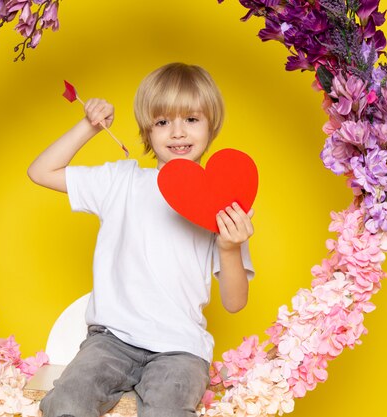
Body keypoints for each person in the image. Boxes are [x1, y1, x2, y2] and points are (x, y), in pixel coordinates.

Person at [28, 63, 255, 417]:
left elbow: (235, 301)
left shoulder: (222, 202)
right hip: (111, 340)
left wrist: (230, 247)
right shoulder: (120, 181)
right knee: (66, 402)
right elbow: (41, 172)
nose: (177, 132)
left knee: (167, 411)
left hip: (180, 348)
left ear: (212, 126)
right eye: (163, 122)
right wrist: (88, 127)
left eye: (191, 119)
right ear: (147, 131)